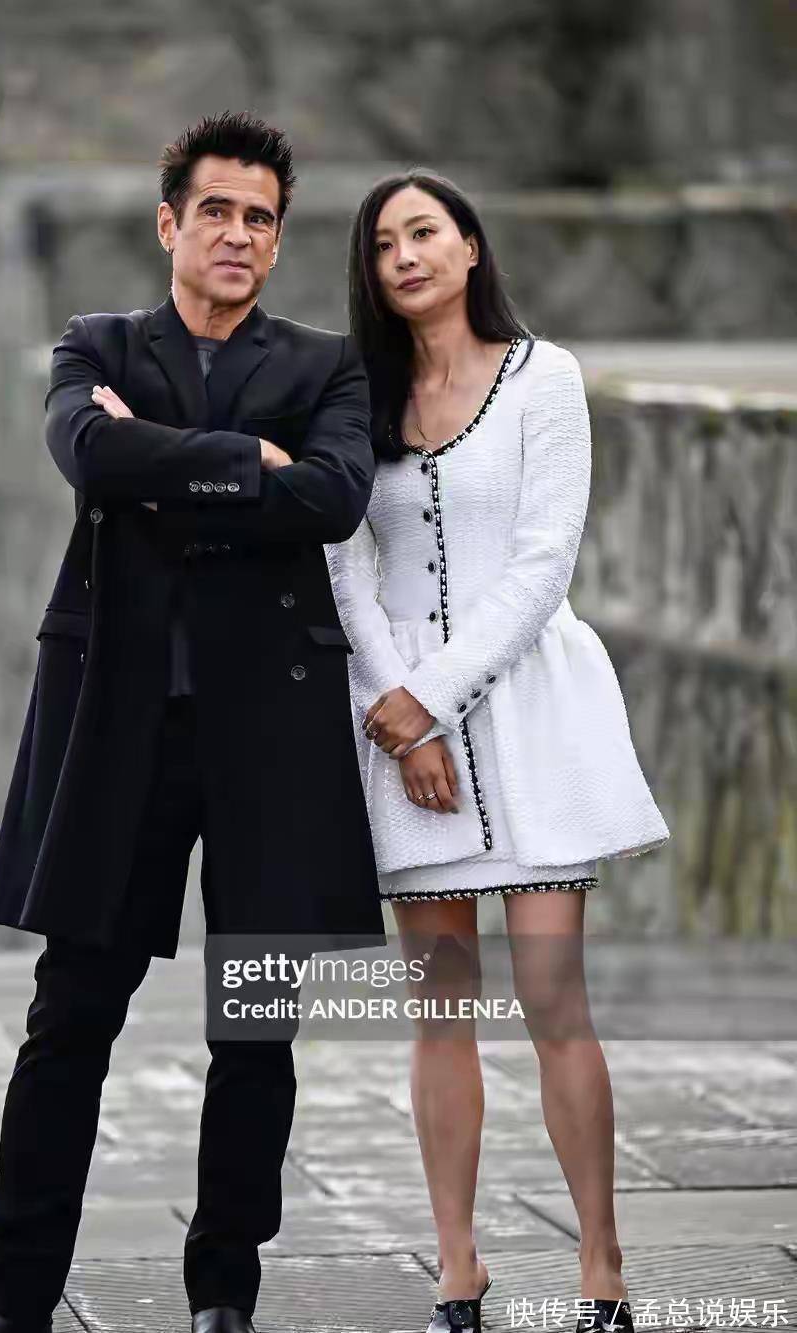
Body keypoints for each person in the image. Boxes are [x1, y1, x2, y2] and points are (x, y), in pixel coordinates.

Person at [0, 112, 385, 1333]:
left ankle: (223, 1298)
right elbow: (88, 456)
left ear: (277, 237)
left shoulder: (327, 367)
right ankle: (13, 1299)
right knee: (69, 1020)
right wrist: (249, 463)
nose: (239, 234)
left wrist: (169, 460)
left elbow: (334, 498)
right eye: (217, 211)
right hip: (119, 725)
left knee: (254, 1033)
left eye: (261, 217)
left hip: (270, 735)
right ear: (170, 223)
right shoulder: (96, 341)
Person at [324, 172, 670, 1333]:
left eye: (425, 231)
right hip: (399, 722)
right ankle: (457, 1268)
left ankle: (602, 1268)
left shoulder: (544, 378)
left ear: (470, 246)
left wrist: (430, 703)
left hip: (527, 711)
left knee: (554, 994)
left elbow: (542, 565)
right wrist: (398, 713)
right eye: (384, 243)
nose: (406, 255)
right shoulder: (354, 394)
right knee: (440, 1006)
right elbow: (345, 566)